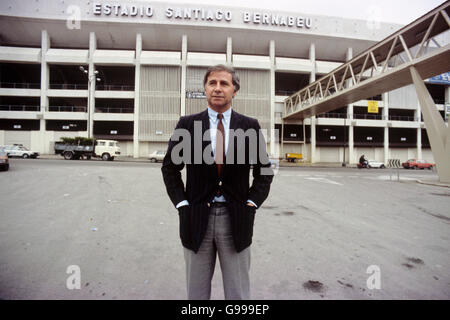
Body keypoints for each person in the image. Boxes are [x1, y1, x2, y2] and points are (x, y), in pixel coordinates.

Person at [161, 64, 274, 300]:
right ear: (205, 89)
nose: (218, 88)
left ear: (235, 90)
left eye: (224, 83)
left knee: (238, 292)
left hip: (237, 218)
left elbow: (264, 171)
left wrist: (251, 204)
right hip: (196, 217)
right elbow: (170, 168)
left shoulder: (249, 126)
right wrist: (182, 205)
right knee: (197, 293)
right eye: (212, 83)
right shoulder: (187, 125)